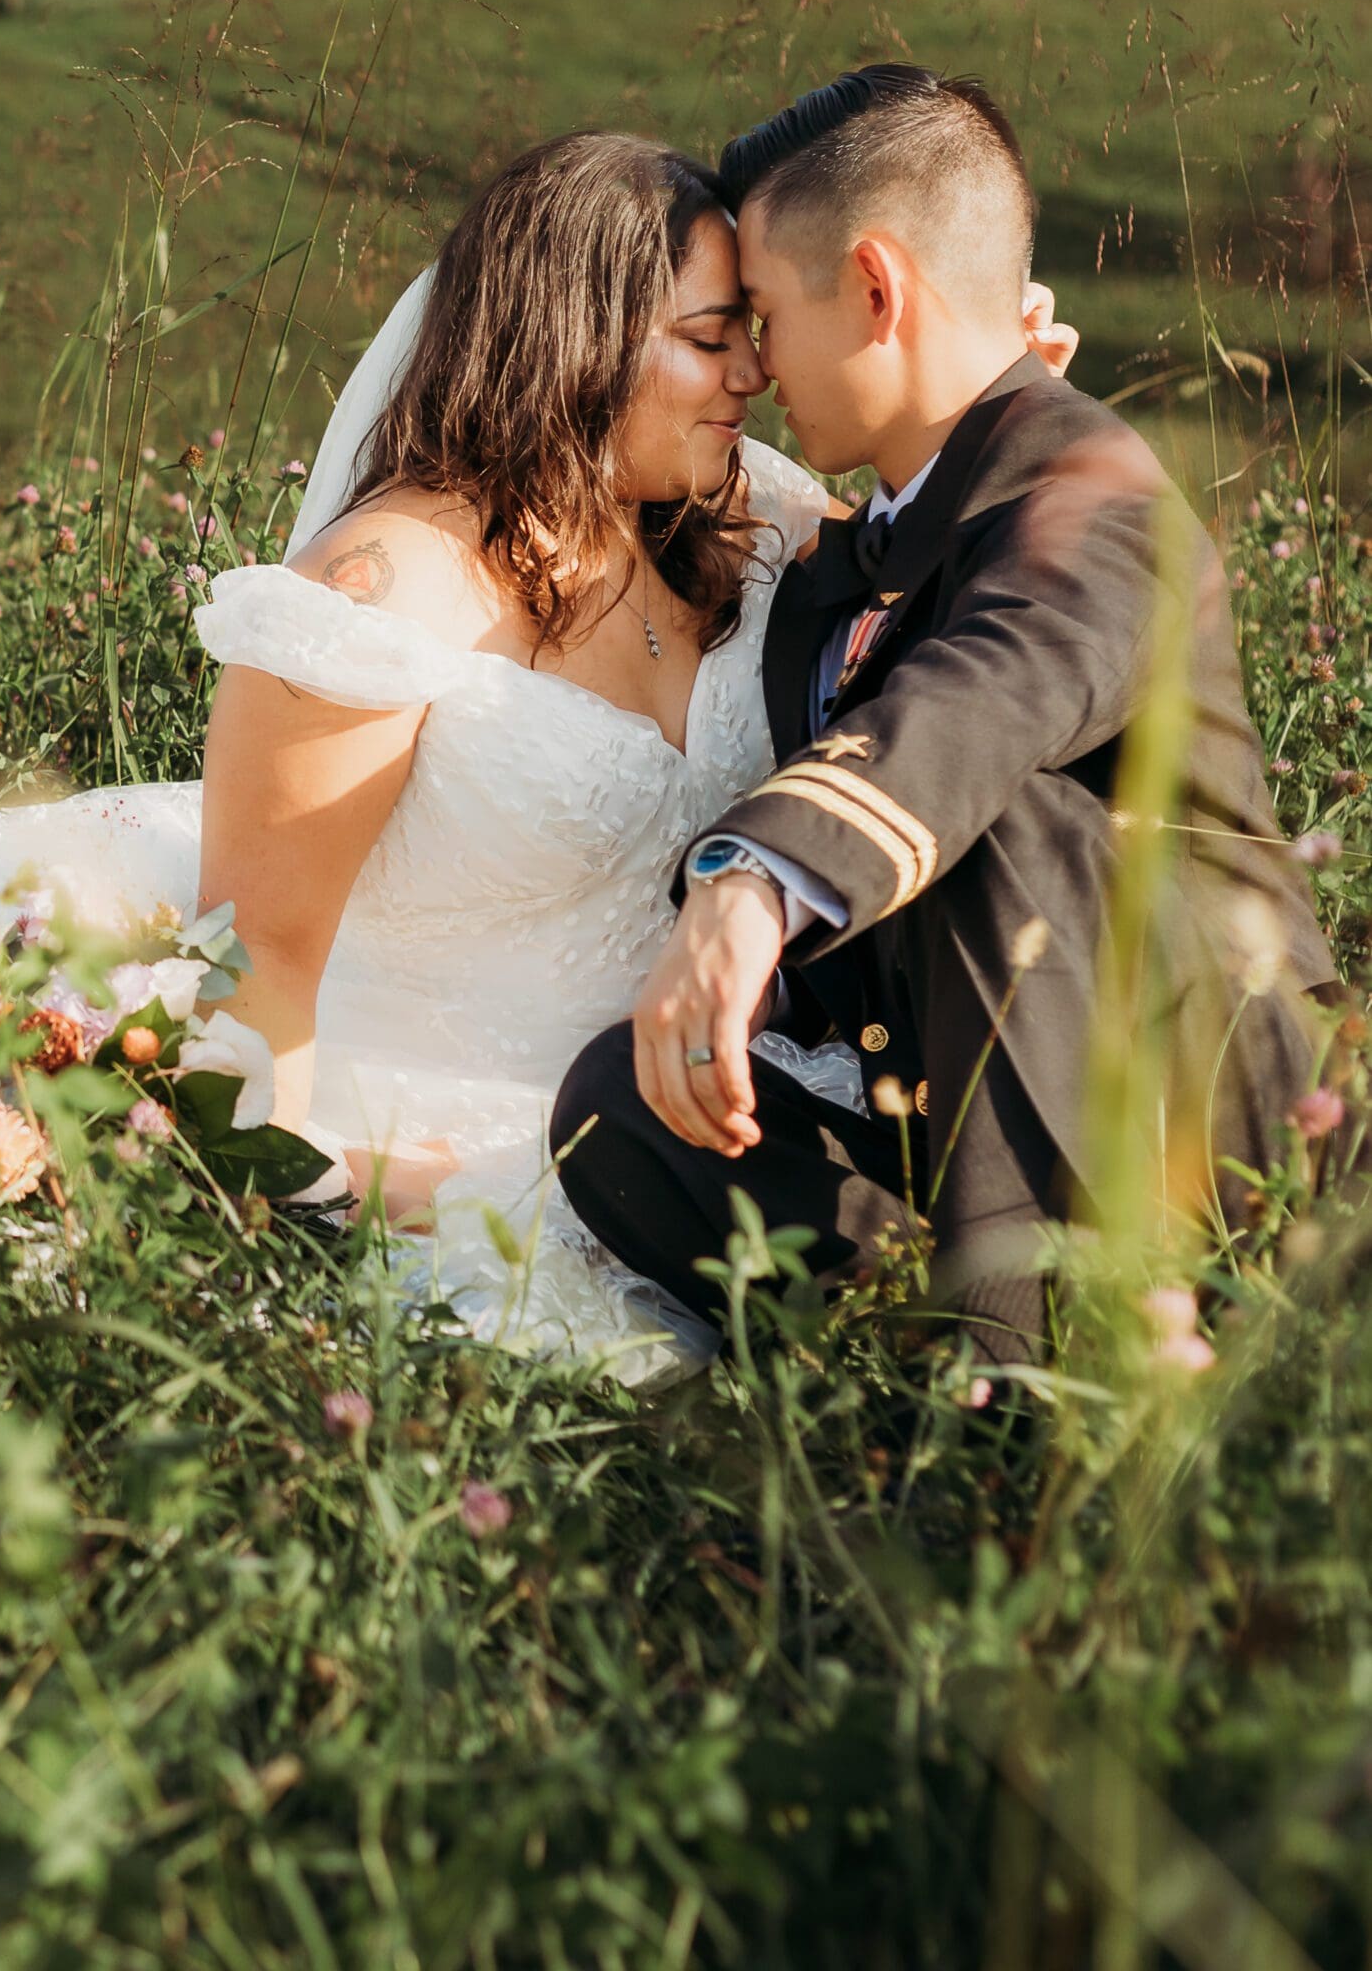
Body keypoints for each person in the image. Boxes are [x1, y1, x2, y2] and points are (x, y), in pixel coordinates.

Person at [0, 118, 1072, 1376]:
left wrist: (997, 405)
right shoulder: (385, 595)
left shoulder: (745, 518)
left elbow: (951, 625)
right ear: (576, 343)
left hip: (689, 1081)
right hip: (413, 1070)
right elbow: (264, 962)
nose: (753, 373)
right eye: (712, 337)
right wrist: (331, 1175)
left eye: (750, 332)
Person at [549, 66, 1338, 1368]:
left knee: (1000, 810)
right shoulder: (842, 559)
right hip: (966, 1128)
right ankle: (973, 1363)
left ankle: (1028, 1374)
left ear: (874, 289)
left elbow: (988, 694)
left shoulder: (1099, 498)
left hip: (1201, 1117)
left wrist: (751, 885)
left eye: (765, 315)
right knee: (612, 1111)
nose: (751, 363)